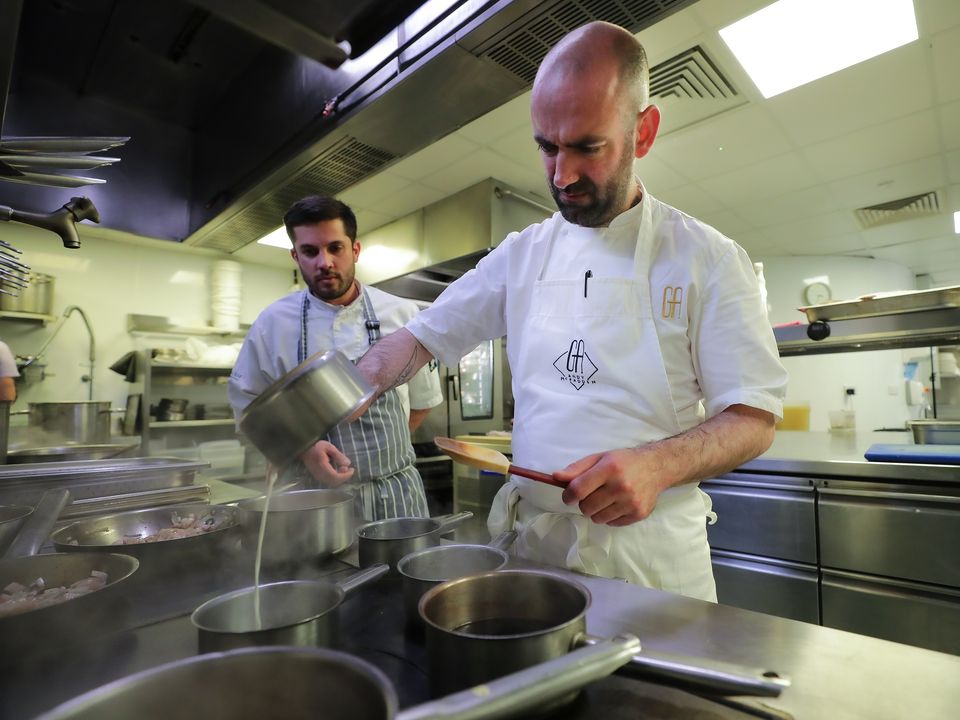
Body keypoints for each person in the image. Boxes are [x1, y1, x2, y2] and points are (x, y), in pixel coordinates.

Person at [356, 21, 787, 601]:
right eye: (547, 146)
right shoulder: (521, 255)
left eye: (587, 146)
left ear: (645, 131)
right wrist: (351, 386)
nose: (562, 175)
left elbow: (753, 419)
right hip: (535, 551)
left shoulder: (706, 258)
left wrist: (657, 465)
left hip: (650, 563)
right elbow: (419, 339)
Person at [228, 195, 442, 521]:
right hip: (310, 499)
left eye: (335, 248)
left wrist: (380, 457)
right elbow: (248, 410)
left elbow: (422, 402)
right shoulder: (272, 324)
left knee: (399, 572)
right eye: (310, 252)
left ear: (355, 249)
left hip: (394, 496)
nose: (324, 262)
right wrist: (305, 450)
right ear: (295, 256)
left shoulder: (402, 313)